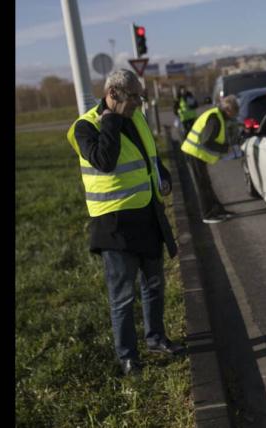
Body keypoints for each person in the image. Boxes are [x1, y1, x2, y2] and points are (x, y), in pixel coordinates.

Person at [66, 69, 184, 376]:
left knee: (155, 285)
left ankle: (156, 338)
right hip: (115, 225)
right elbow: (104, 161)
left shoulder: (137, 117)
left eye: (140, 96)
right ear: (113, 94)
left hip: (147, 215)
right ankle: (128, 356)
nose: (138, 102)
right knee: (123, 296)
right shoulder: (84, 127)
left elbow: (149, 158)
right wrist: (110, 120)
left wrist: (163, 176)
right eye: (134, 96)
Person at [180, 95, 239, 224]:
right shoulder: (215, 118)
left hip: (196, 153)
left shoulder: (217, 115)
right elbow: (206, 142)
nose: (234, 115)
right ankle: (207, 214)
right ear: (228, 109)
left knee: (206, 184)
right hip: (194, 153)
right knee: (202, 185)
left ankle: (217, 210)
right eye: (234, 112)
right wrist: (224, 148)